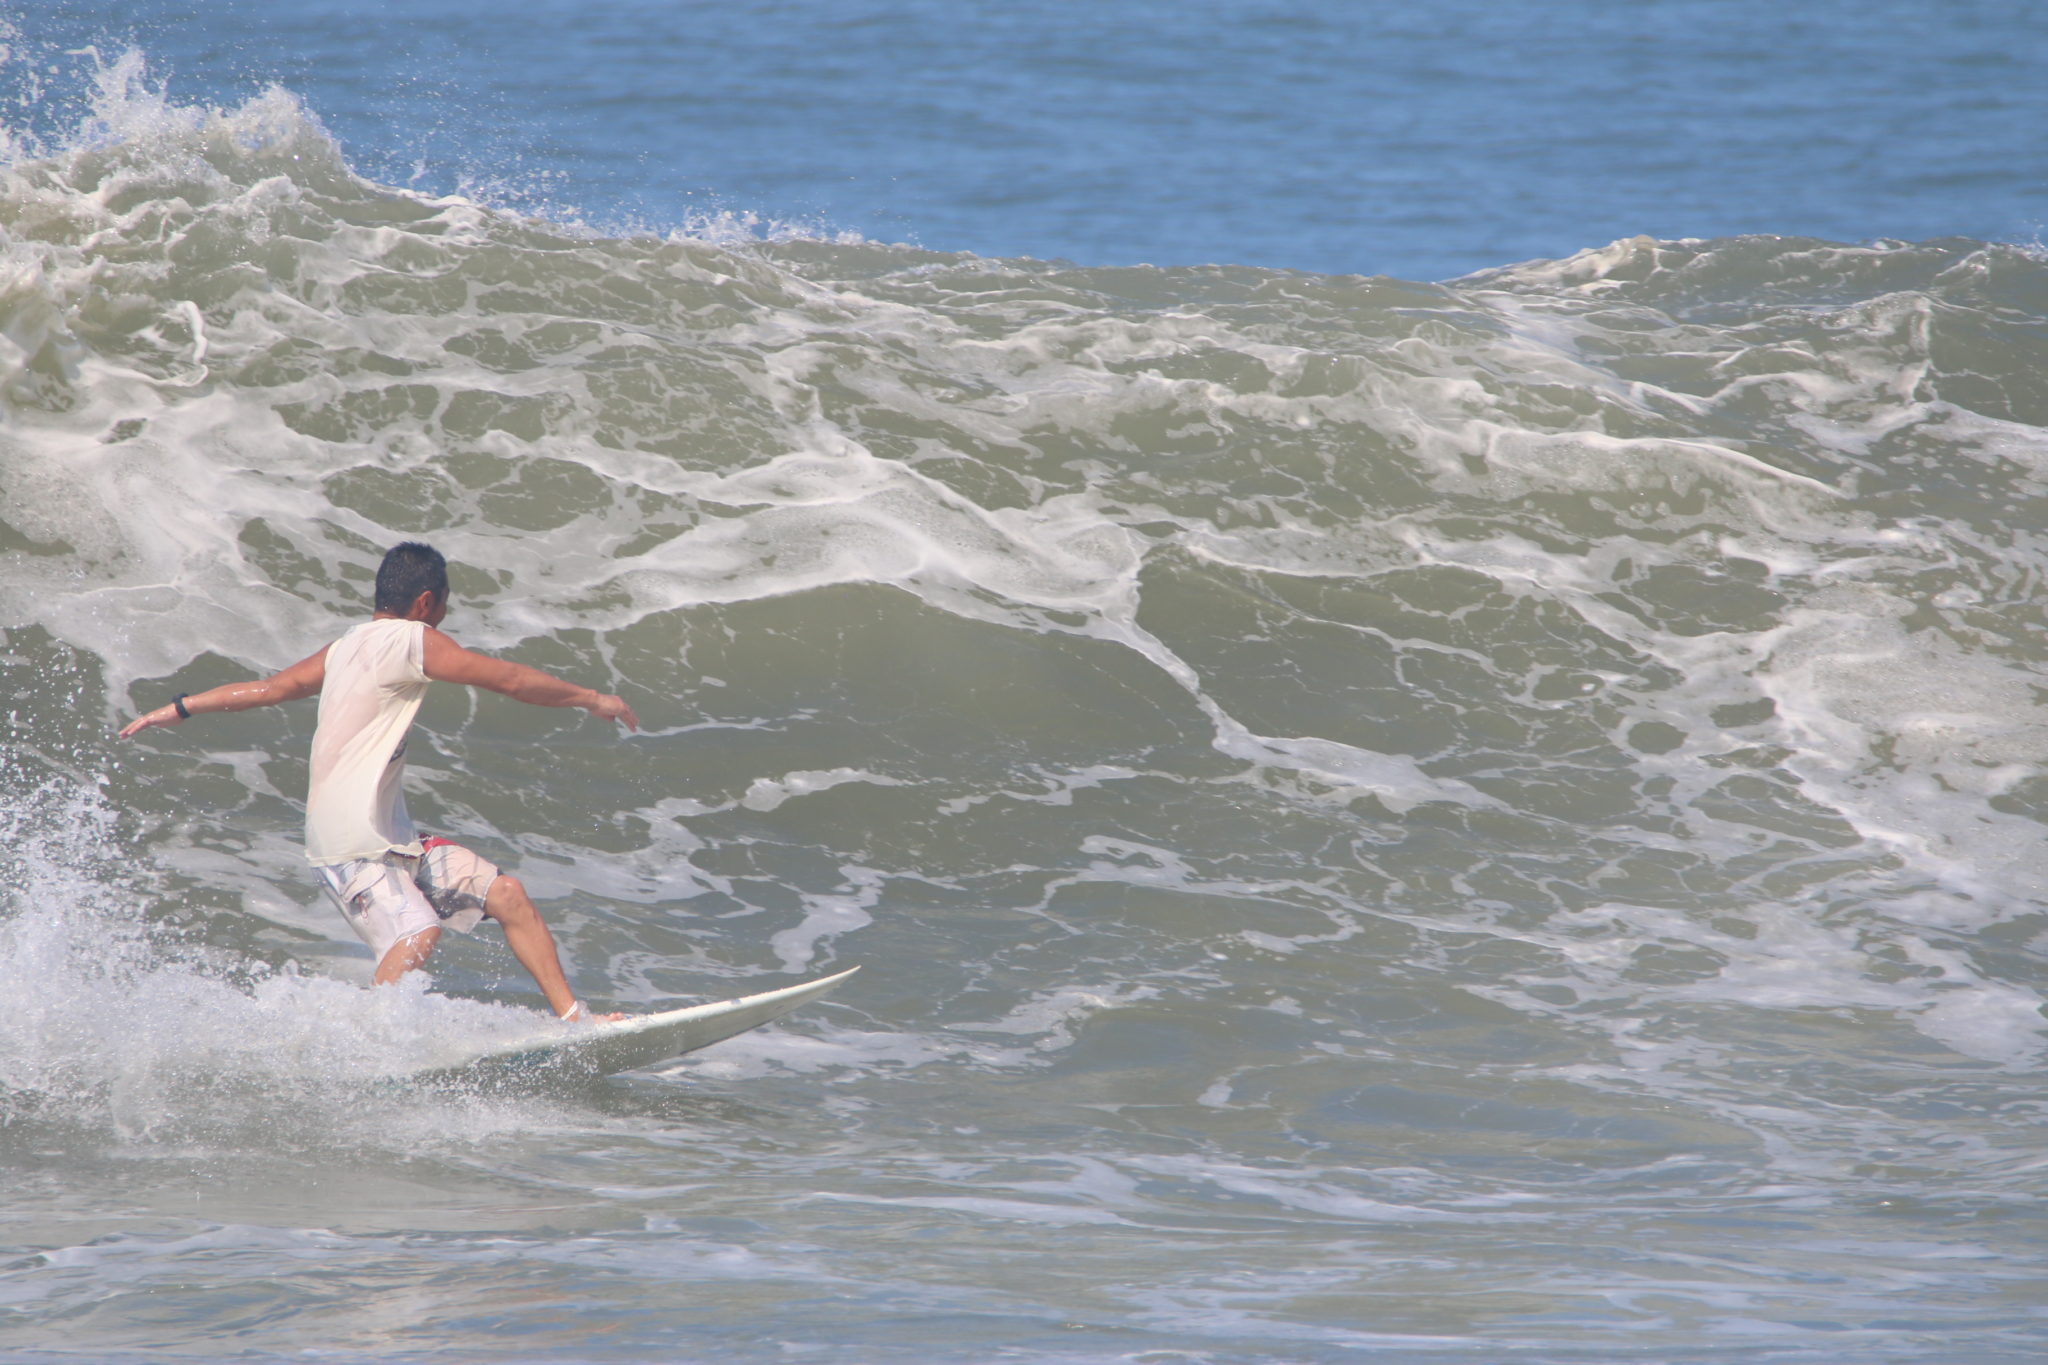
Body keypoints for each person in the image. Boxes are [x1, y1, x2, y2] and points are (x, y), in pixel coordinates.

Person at [119, 542, 638, 1021]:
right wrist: (594, 699)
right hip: (350, 845)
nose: (444, 615)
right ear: (426, 601)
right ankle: (365, 1044)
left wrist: (181, 707)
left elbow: (268, 689)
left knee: (507, 894)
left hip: (391, 838)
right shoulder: (411, 639)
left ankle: (575, 1020)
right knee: (418, 931)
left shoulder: (344, 647)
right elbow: (512, 679)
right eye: (445, 604)